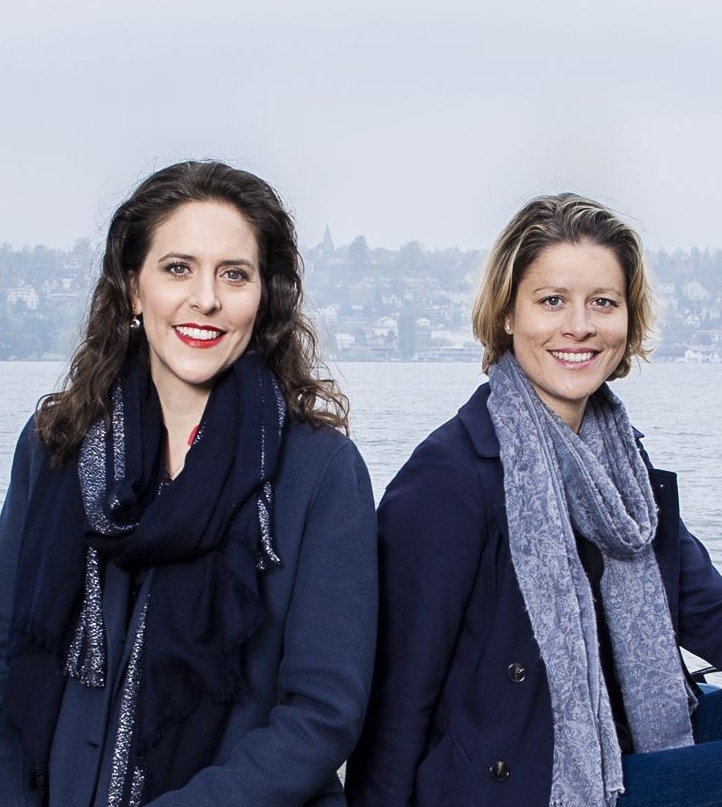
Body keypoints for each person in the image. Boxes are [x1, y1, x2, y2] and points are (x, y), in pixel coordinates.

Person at [0, 160, 377, 806]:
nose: (206, 298)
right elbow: (8, 651)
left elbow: (323, 712)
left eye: (234, 274)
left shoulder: (321, 470)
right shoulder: (55, 445)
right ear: (133, 289)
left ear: (263, 299)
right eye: (178, 268)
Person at [345, 193, 722, 807]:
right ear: (506, 316)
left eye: (603, 302)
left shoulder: (623, 465)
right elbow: (398, 694)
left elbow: (706, 608)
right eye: (552, 301)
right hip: (520, 781)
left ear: (629, 320)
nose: (580, 326)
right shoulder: (449, 477)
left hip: (621, 748)